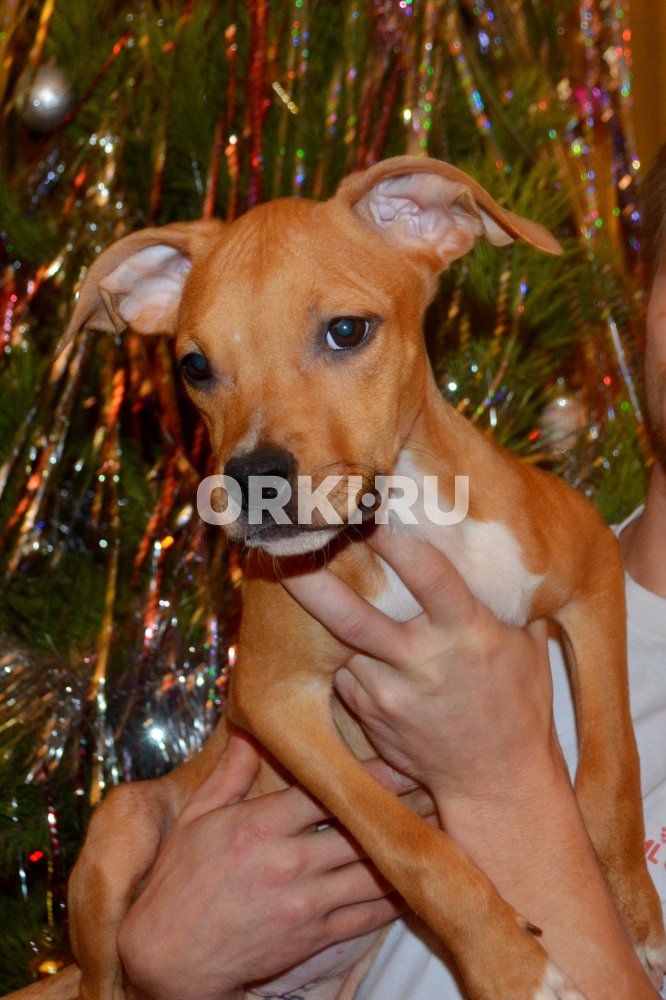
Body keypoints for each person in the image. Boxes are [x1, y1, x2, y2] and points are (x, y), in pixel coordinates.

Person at [116, 149, 666, 1000]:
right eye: (202, 369)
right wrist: (150, 972)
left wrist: (504, 783)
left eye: (343, 333)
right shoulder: (521, 541)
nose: (259, 452)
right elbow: (267, 700)